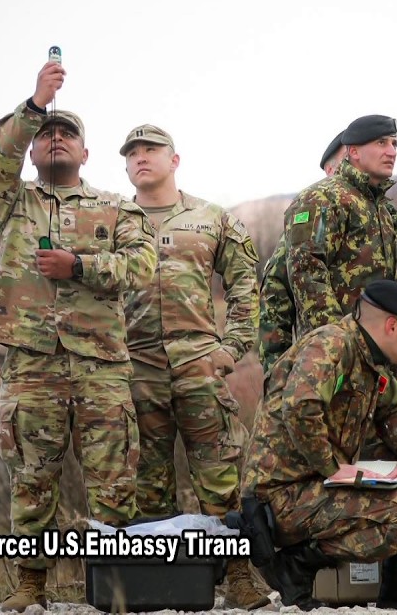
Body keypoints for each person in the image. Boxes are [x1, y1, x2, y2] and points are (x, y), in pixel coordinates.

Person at [0, 61, 156, 611]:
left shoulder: (117, 209)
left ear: (85, 152)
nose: (56, 139)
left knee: (114, 481)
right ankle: (30, 585)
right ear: (32, 151)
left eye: (67, 134)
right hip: (32, 364)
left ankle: (114, 588)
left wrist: (78, 266)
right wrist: (36, 104)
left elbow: (143, 264)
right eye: (46, 135)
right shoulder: (11, 202)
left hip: (101, 365)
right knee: (32, 479)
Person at [241, 280, 397, 611]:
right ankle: (295, 564)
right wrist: (333, 468)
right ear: (392, 326)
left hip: (315, 487)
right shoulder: (331, 345)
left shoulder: (370, 358)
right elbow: (299, 407)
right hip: (281, 497)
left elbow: (395, 411)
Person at [119, 124, 267, 608]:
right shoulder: (114, 220)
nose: (141, 157)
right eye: (132, 153)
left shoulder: (211, 219)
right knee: (148, 484)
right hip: (136, 366)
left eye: (151, 150)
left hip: (199, 365)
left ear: (174, 160)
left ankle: (238, 577)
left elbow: (245, 283)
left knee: (220, 478)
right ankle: (162, 584)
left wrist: (231, 347)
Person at [257, 115, 397, 383]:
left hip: (387, 356)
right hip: (339, 360)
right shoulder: (321, 198)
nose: (392, 151)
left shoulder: (385, 210)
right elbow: (307, 275)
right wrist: (339, 346)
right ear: (354, 152)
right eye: (382, 143)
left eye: (394, 144)